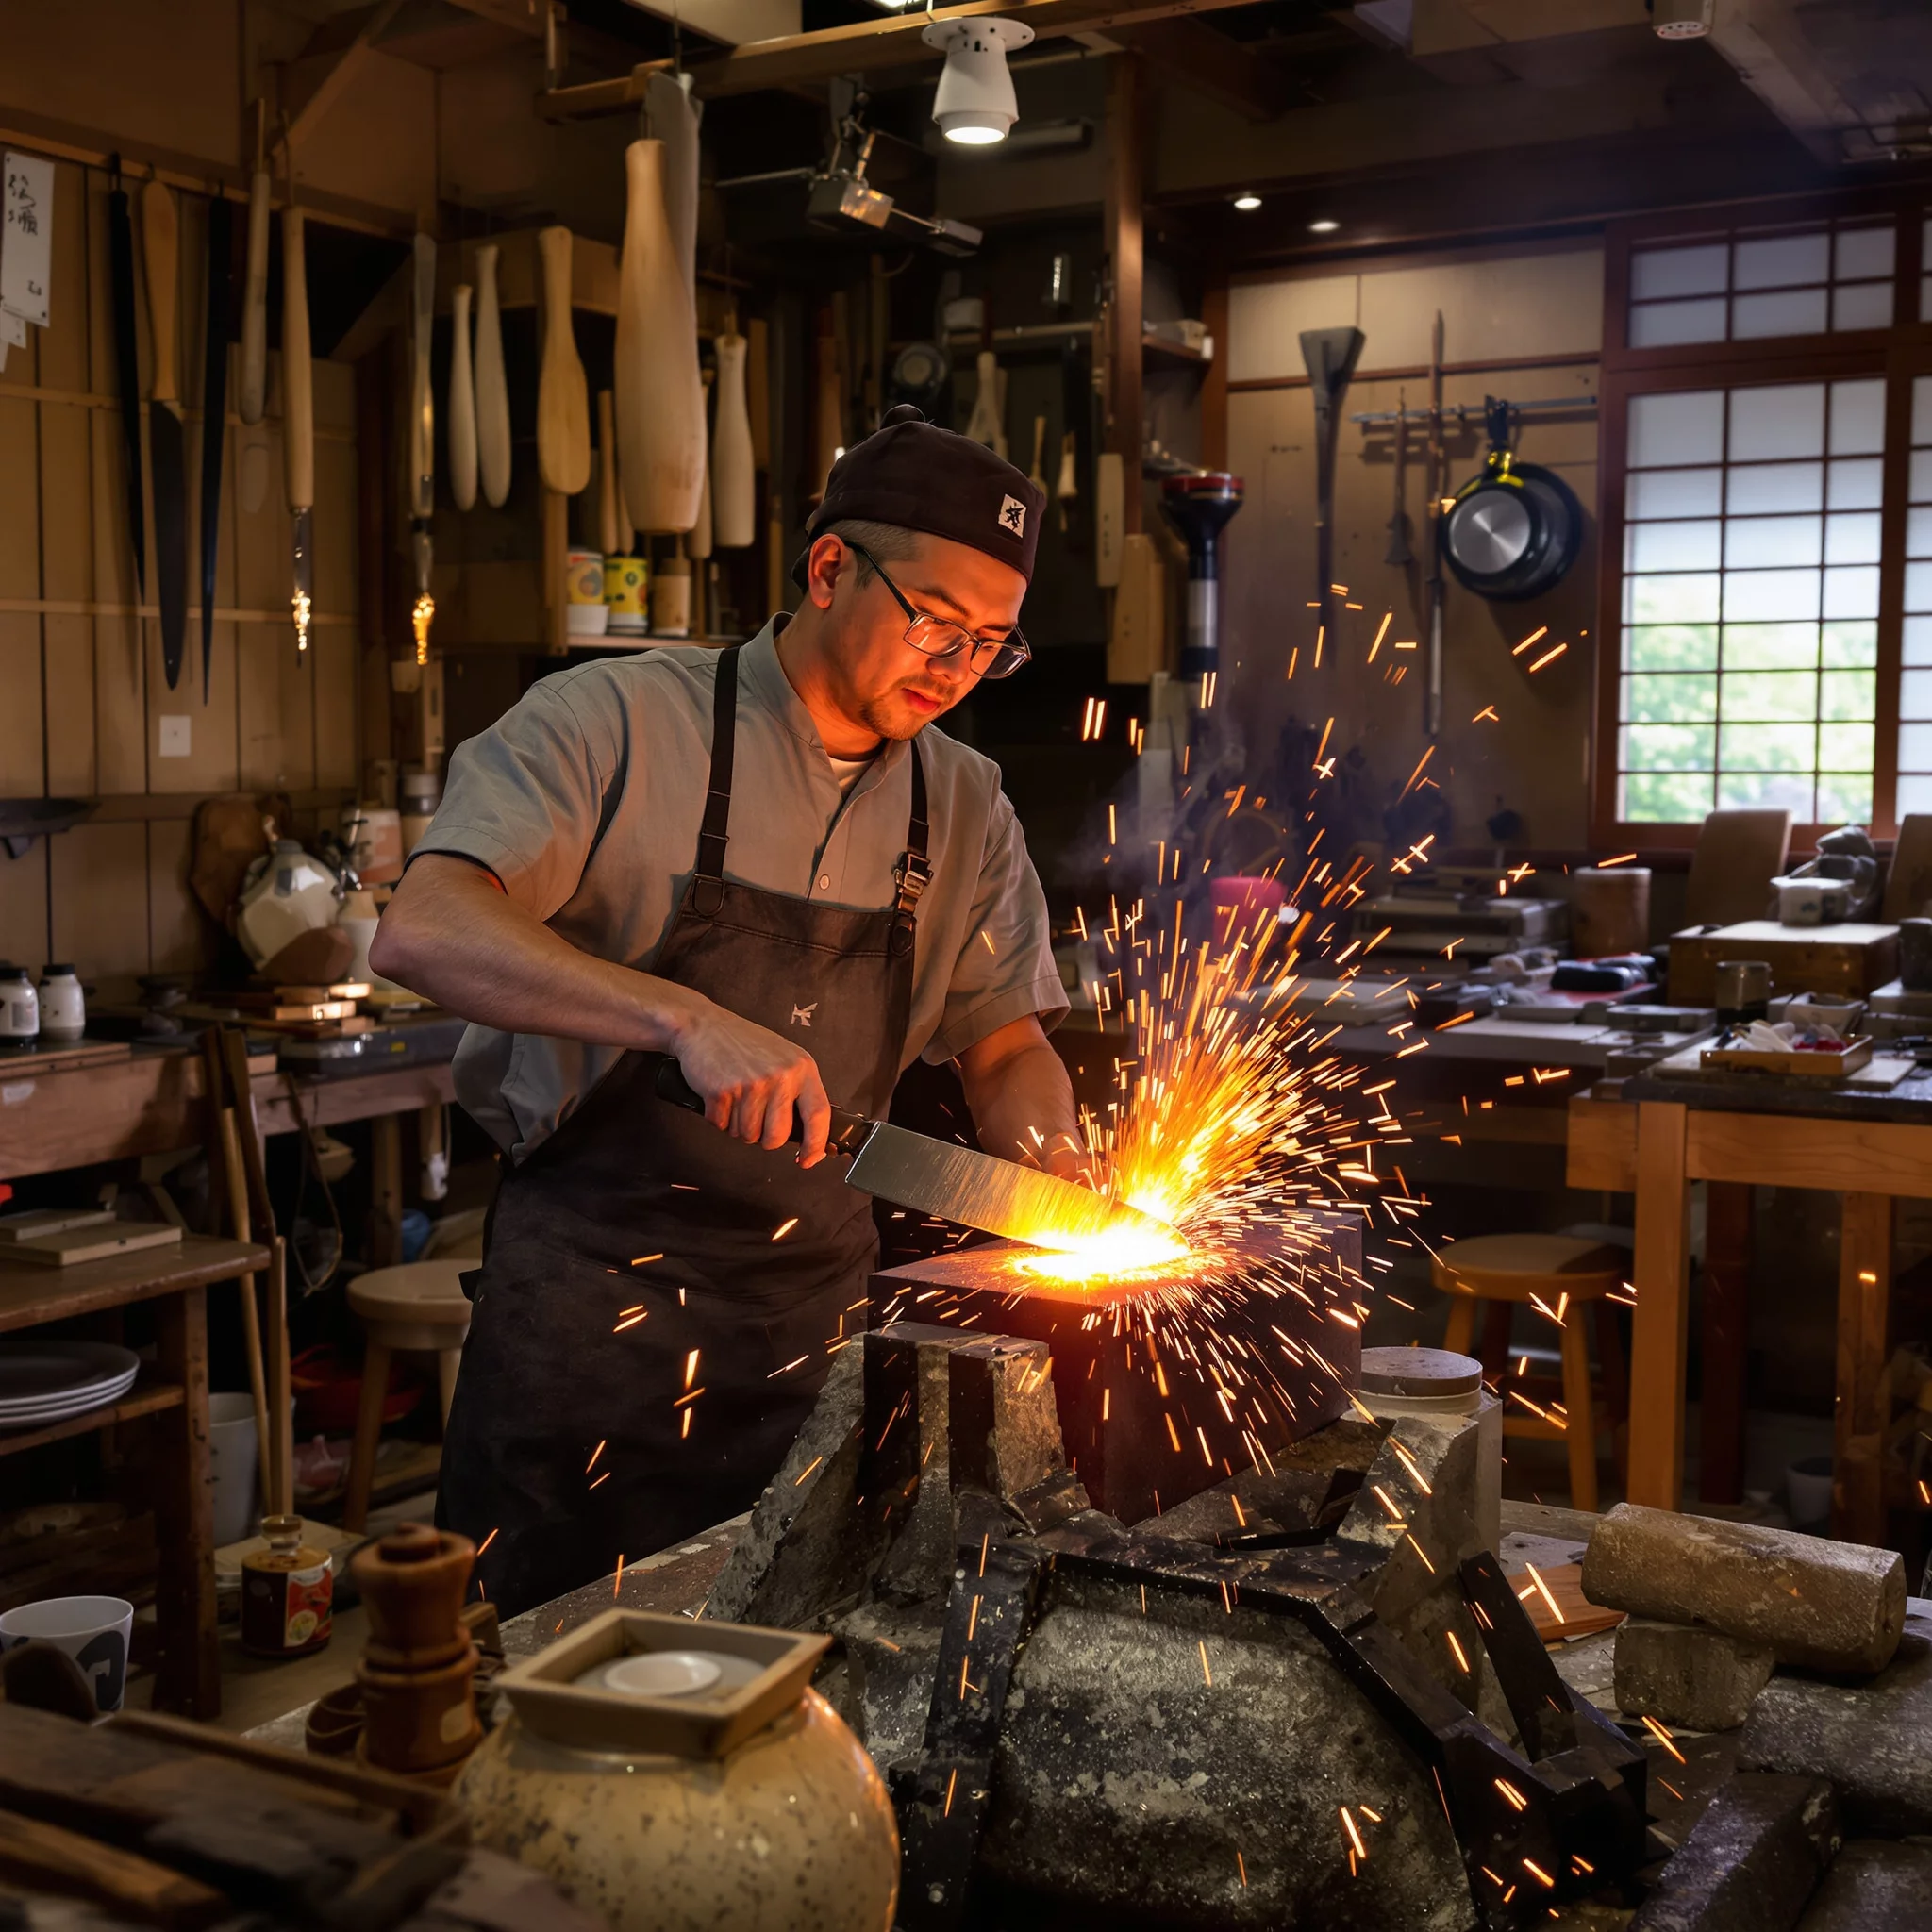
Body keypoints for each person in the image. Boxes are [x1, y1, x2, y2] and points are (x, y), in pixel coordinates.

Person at [371, 406, 1085, 1614]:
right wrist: (682, 1018)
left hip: (814, 1336)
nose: (957, 667)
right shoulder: (614, 722)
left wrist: (1072, 1189)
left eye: (991, 647)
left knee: (791, 1694)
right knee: (542, 1691)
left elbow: (1005, 1043)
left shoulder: (965, 803)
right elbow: (424, 925)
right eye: (935, 624)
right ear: (825, 569)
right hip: (590, 1325)